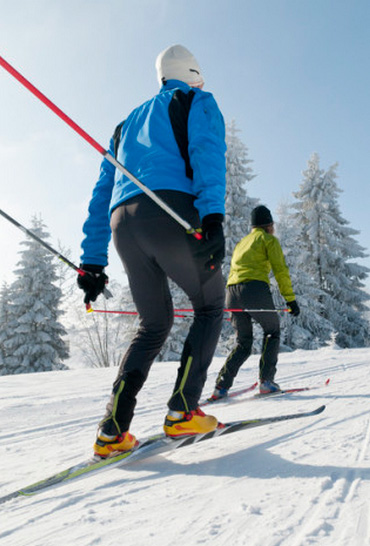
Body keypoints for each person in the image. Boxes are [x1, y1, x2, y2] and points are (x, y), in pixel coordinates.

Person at [77, 45, 227, 458]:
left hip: (123, 222)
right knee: (211, 304)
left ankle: (112, 430)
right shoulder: (197, 100)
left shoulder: (124, 126)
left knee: (154, 323)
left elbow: (101, 192)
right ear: (193, 73)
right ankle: (182, 411)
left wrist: (93, 259)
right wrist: (213, 216)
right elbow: (208, 154)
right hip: (171, 211)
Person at [211, 205, 300, 399]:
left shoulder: (242, 242)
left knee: (243, 342)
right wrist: (290, 299)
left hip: (231, 292)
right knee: (272, 331)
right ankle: (266, 382)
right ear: (269, 224)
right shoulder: (268, 240)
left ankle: (221, 386)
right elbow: (280, 270)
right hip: (254, 290)